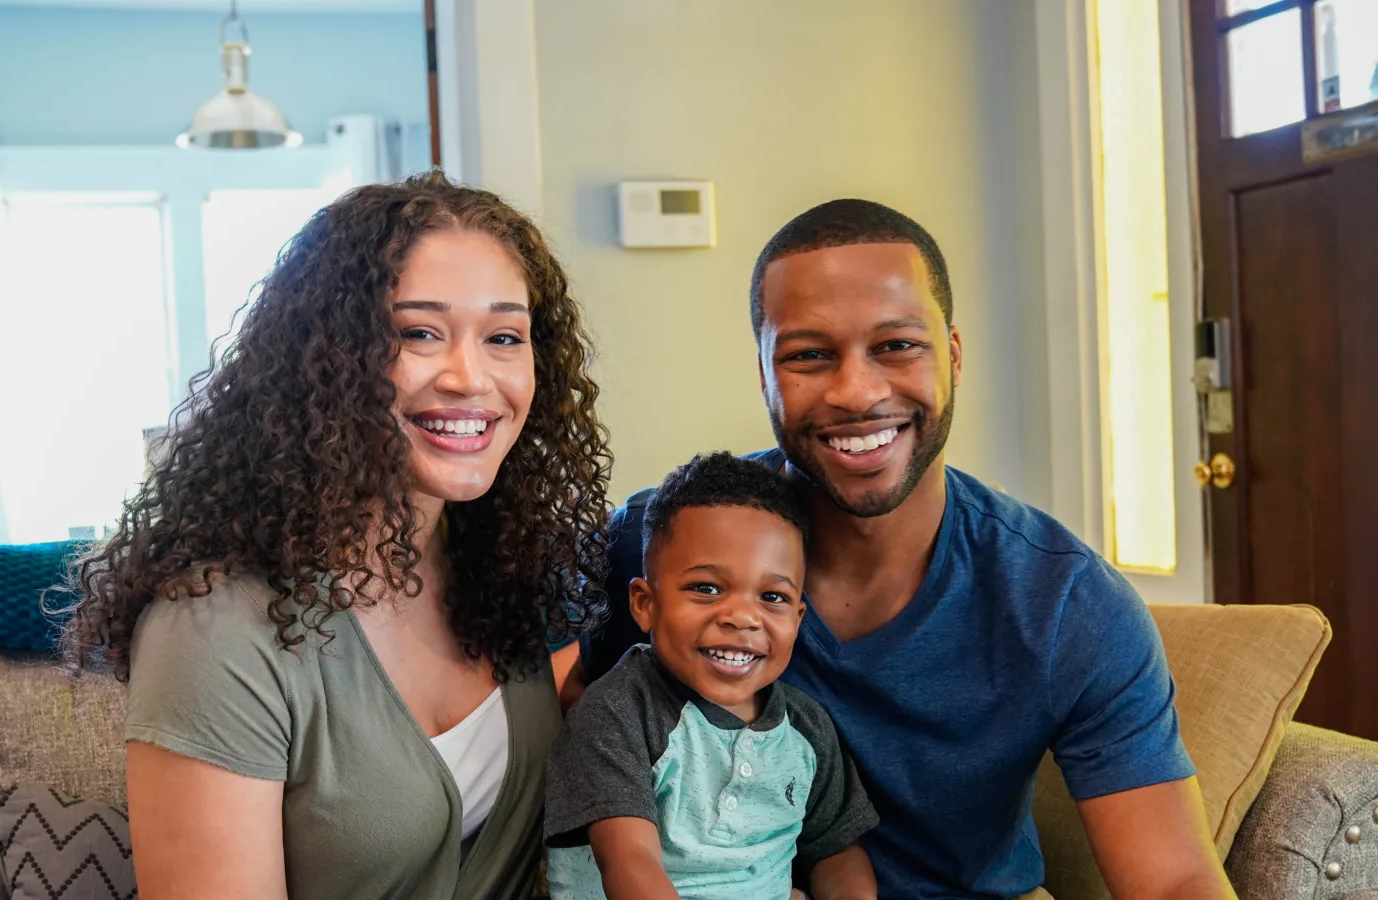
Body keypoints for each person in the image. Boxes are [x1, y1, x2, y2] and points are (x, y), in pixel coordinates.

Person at [574, 200, 1237, 900]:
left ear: (952, 354)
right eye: (807, 355)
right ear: (765, 371)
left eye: (897, 346)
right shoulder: (654, 546)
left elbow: (1173, 880)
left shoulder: (1065, 604)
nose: (857, 392)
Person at [62, 172, 612, 900]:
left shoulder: (511, 572)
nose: (471, 377)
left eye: (504, 336)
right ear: (323, 362)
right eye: (418, 333)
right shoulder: (215, 627)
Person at [545, 452, 877, 900]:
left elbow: (837, 850)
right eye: (706, 588)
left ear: (798, 618)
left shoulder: (807, 730)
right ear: (645, 603)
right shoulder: (616, 714)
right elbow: (629, 861)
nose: (742, 617)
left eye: (772, 596)